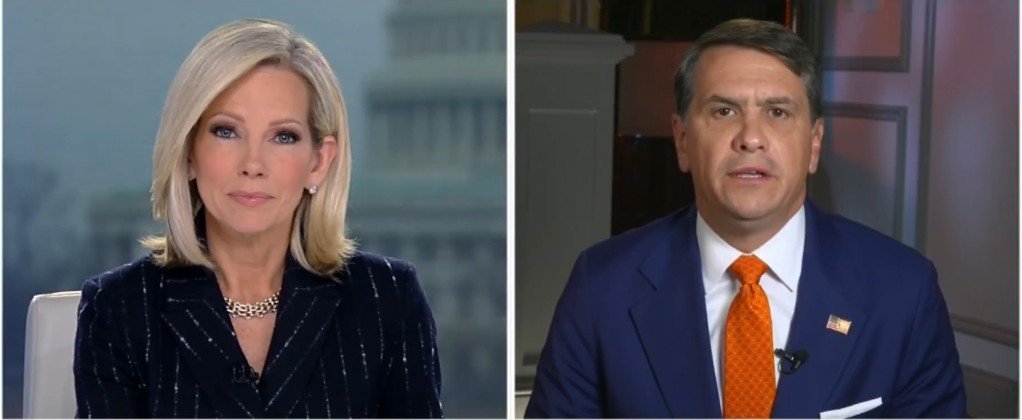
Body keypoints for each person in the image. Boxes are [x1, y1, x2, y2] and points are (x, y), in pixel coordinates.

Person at [525, 19, 965, 418]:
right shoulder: (601, 287)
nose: (751, 138)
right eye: (724, 111)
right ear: (682, 140)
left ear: (814, 144)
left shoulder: (904, 291)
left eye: (777, 112)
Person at [73, 19, 442, 418]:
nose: (253, 164)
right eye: (226, 131)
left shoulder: (387, 299)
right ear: (188, 151)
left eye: (283, 137)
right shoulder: (120, 308)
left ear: (319, 162)